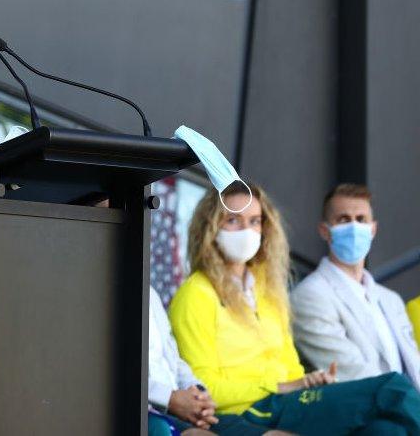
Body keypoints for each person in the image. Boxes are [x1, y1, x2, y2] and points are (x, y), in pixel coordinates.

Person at [169, 181, 420, 434]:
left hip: (286, 402)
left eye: (255, 221)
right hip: (249, 410)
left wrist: (309, 381)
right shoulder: (195, 294)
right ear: (210, 227)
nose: (247, 230)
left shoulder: (267, 291)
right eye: (233, 220)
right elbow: (203, 388)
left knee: (387, 430)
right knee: (392, 387)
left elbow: (291, 368)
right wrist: (279, 386)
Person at [290, 184, 420, 391]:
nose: (354, 227)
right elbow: (351, 373)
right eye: (343, 219)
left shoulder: (390, 299)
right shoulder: (309, 296)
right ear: (325, 231)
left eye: (361, 219)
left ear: (373, 229)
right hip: (371, 416)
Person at [148, 285, 285, 436]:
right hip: (152, 411)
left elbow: (173, 360)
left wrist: (199, 396)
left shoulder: (151, 293)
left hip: (187, 409)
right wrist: (169, 398)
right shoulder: (194, 293)